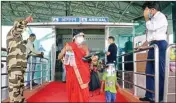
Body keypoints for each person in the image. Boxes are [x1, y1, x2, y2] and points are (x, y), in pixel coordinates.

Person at [138, 2, 168, 102]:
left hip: (160, 44)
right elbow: (150, 37)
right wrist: (143, 46)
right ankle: (149, 95)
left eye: (146, 10)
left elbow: (152, 28)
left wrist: (146, 18)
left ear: (152, 9)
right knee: (149, 71)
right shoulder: (152, 19)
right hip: (152, 45)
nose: (145, 13)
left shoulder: (161, 17)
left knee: (160, 71)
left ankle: (160, 97)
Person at [58, 30, 91, 102]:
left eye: (82, 36)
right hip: (73, 73)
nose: (82, 38)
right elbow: (59, 57)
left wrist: (92, 58)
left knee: (84, 92)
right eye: (80, 36)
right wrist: (65, 52)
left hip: (83, 72)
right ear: (74, 37)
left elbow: (87, 57)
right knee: (74, 92)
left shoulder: (84, 46)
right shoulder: (69, 45)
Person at [6, 16, 33, 102]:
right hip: (15, 67)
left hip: (20, 67)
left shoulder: (19, 38)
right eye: (22, 25)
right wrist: (25, 21)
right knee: (15, 91)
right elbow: (18, 28)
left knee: (20, 90)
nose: (24, 28)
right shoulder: (13, 32)